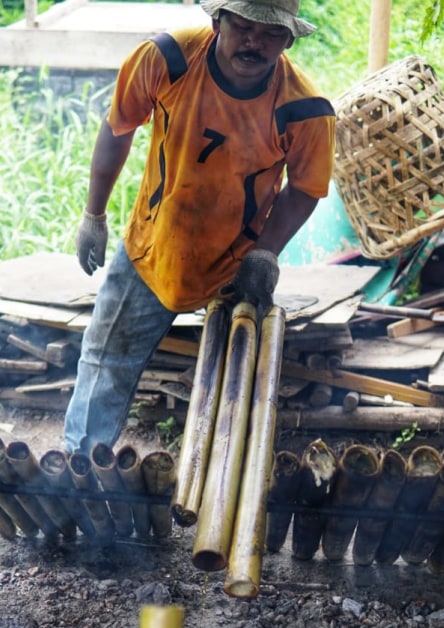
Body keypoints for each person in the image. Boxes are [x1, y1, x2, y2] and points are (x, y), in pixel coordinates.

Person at [63, 0, 335, 455]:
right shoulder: (166, 59)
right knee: (105, 359)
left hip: (237, 262)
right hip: (155, 247)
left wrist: (265, 253)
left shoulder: (304, 109)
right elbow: (119, 128)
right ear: (216, 22)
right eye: (243, 26)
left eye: (269, 33)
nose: (254, 42)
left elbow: (306, 188)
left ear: (288, 40)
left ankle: (215, 490)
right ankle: (77, 468)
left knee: (237, 381)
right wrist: (94, 215)